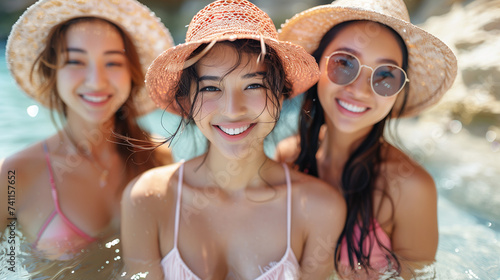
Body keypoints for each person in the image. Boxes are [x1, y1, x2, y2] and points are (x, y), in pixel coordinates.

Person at [120, 0, 346, 279]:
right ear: (187, 102)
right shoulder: (148, 200)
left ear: (281, 95)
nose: (232, 109)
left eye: (253, 85)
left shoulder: (320, 208)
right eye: (211, 88)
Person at [276, 0, 457, 278]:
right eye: (344, 63)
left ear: (398, 91)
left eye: (386, 75)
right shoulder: (287, 157)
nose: (359, 90)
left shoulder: (411, 188)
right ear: (316, 65)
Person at [0, 0, 174, 260]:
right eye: (76, 61)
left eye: (113, 63)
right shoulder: (15, 174)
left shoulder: (157, 155)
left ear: (132, 73)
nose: (96, 81)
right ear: (53, 73)